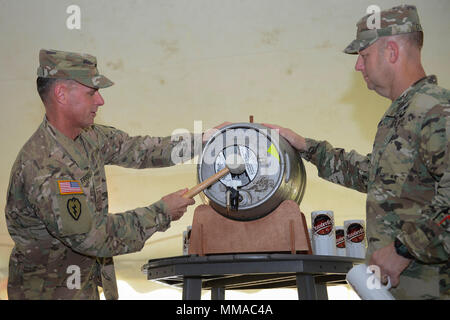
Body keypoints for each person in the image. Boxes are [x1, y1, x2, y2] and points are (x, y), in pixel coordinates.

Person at [265, 5, 449, 299]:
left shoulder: (437, 111)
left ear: (391, 51)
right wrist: (307, 147)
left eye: (363, 55)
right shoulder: (404, 114)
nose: (358, 66)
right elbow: (378, 179)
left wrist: (403, 250)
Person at [5, 49, 221, 299]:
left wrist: (207, 140)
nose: (100, 101)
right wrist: (161, 212)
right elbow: (92, 237)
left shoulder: (88, 137)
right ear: (61, 94)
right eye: (91, 92)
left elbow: (141, 150)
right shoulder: (44, 166)